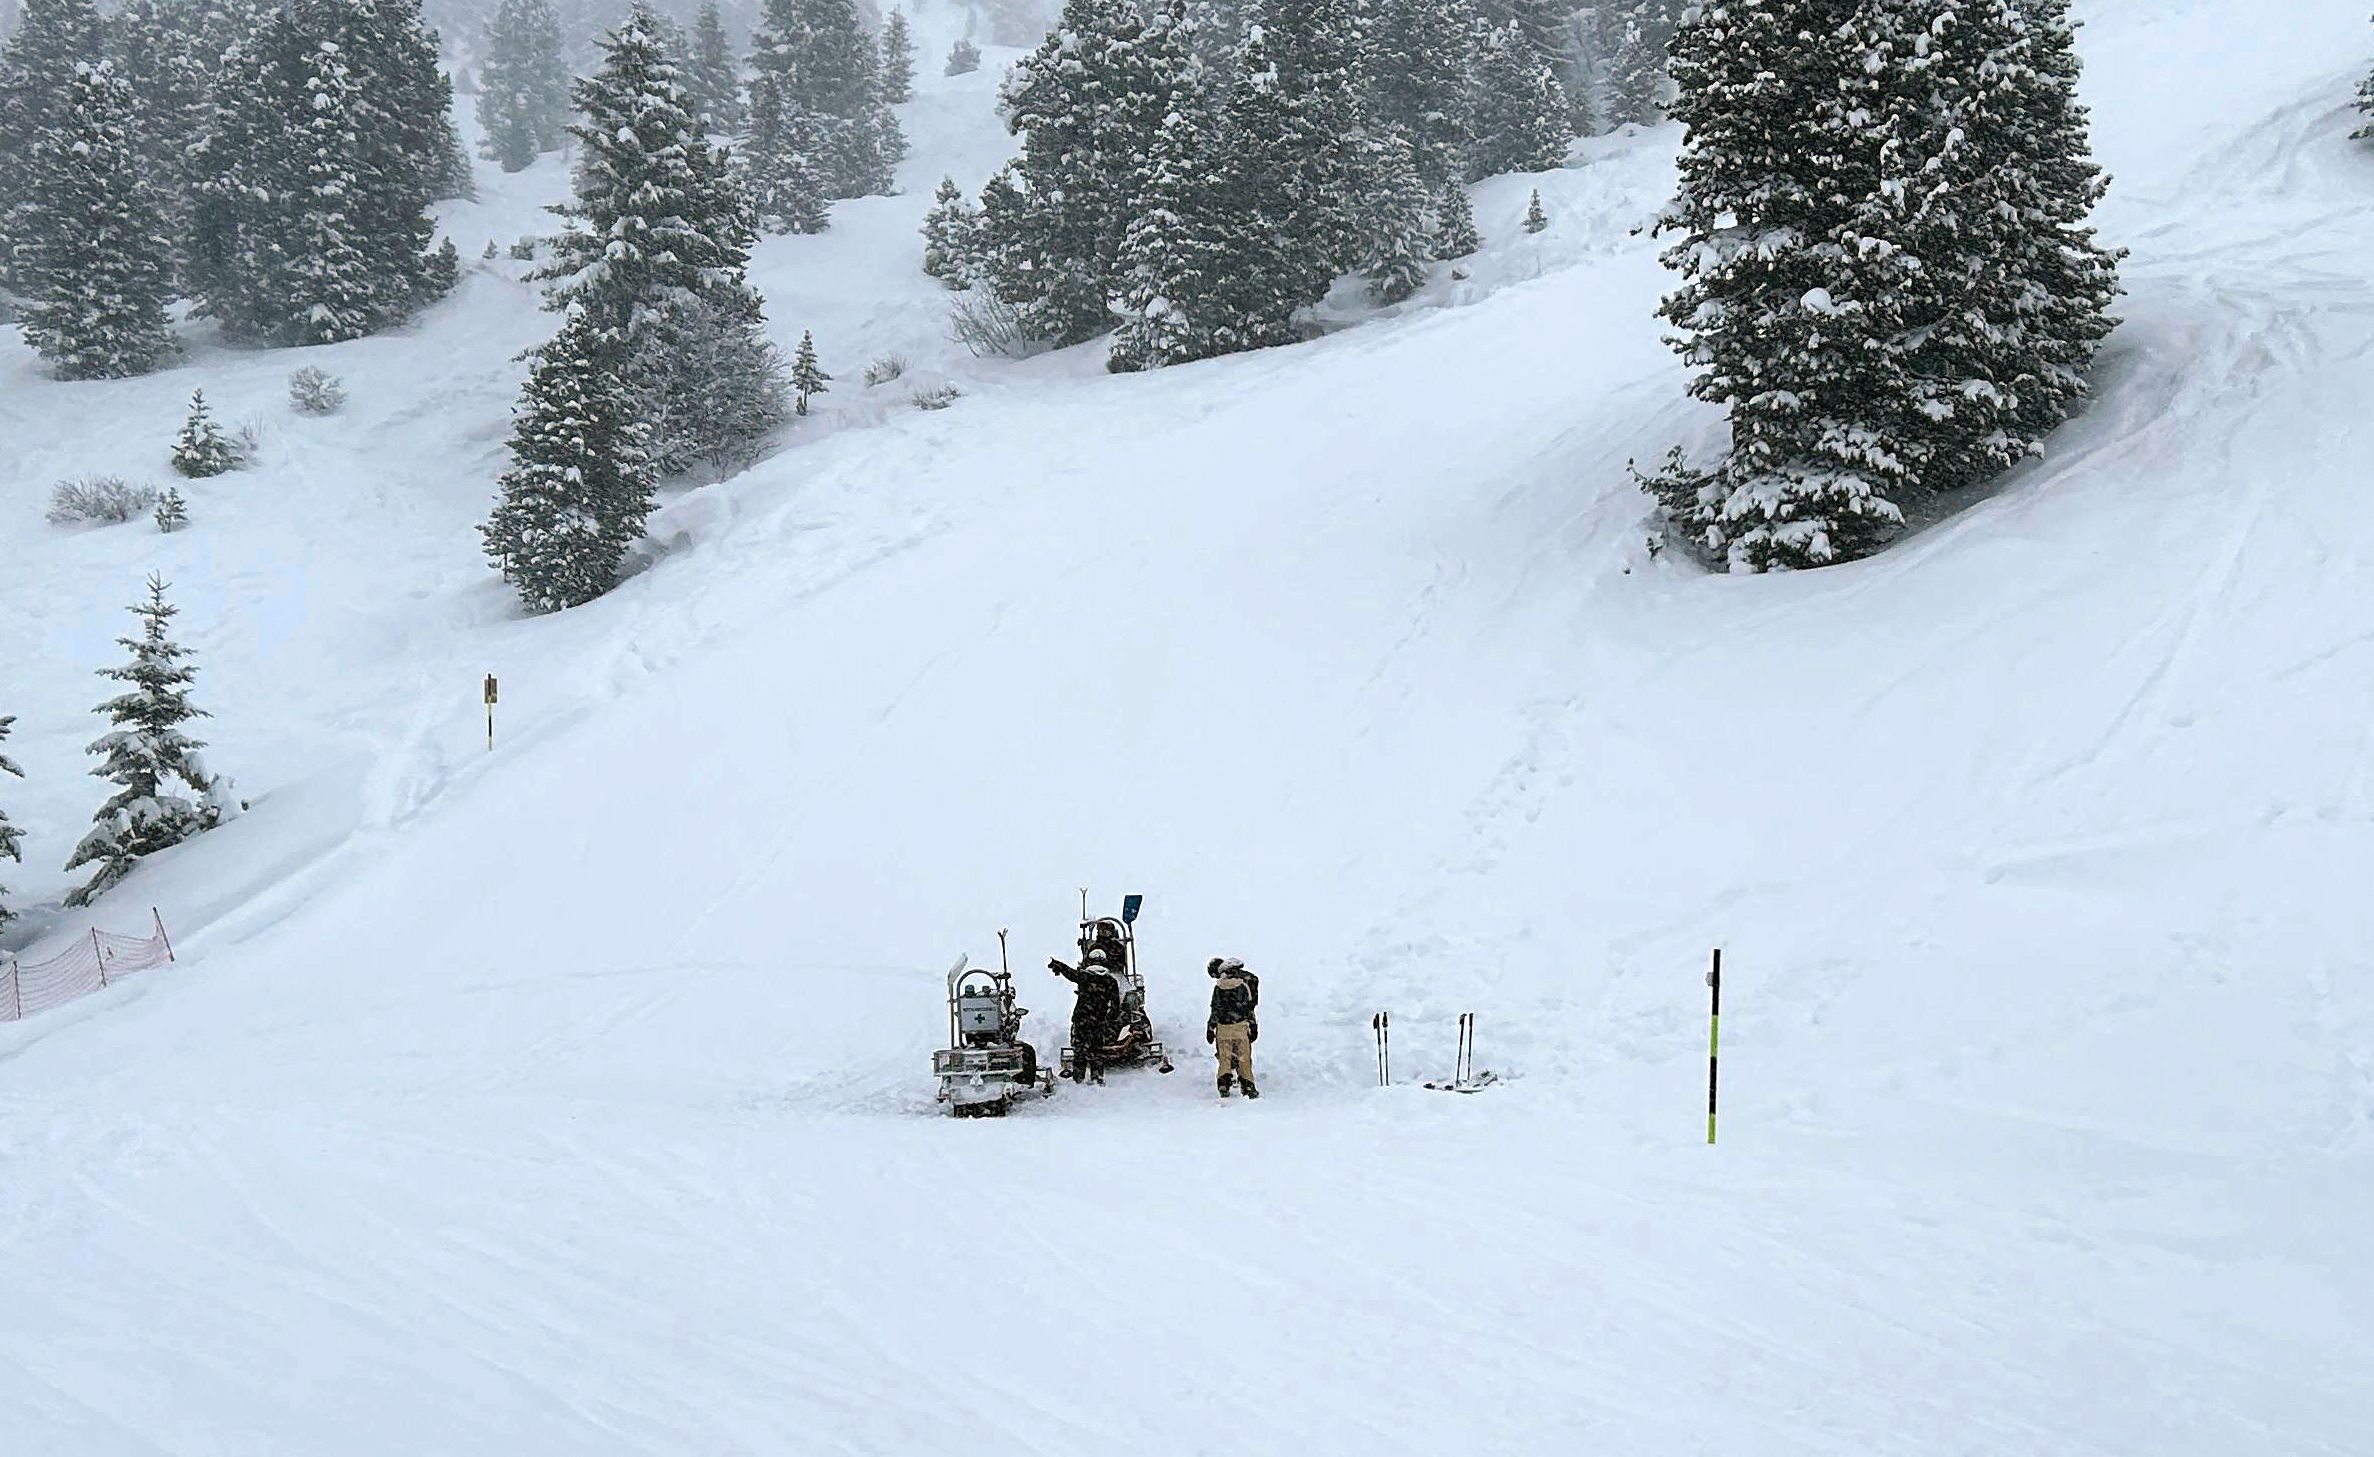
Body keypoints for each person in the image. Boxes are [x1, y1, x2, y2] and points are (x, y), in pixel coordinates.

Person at [1049, 955, 1122, 1083]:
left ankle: (1078, 1078)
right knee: (1097, 1050)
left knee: (1080, 1050)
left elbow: (1070, 973)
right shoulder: (1111, 981)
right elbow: (1116, 1006)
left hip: (1081, 1019)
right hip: (1098, 1021)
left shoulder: (1084, 976)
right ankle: (1097, 1077)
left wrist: (1058, 965)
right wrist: (1110, 1018)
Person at [1205, 957, 1259, 1098]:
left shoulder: (1219, 988)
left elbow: (1215, 1009)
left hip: (1223, 1028)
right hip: (1240, 1026)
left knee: (1224, 1057)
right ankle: (1247, 1085)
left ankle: (1224, 1083)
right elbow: (1248, 1009)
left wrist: (1210, 1028)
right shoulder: (1243, 985)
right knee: (1244, 1057)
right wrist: (1253, 1025)